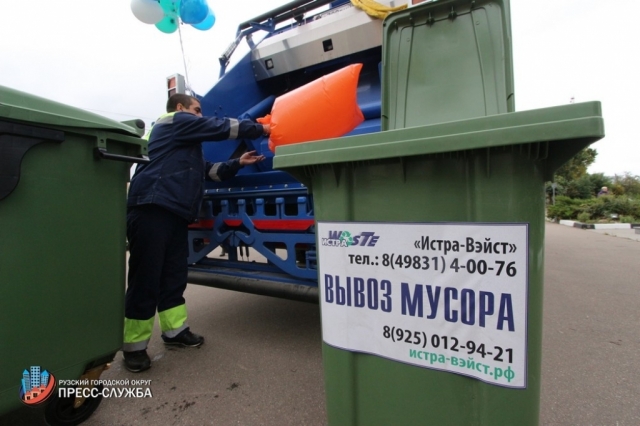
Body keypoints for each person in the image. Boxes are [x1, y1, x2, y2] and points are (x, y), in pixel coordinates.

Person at [123, 93, 269, 372]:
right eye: (197, 110)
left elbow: (211, 172)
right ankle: (134, 348)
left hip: (174, 213)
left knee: (174, 276)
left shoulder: (183, 147)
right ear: (181, 108)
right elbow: (220, 127)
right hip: (152, 208)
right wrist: (261, 128)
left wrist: (239, 163)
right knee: (146, 280)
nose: (201, 116)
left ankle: (175, 332)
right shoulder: (173, 123)